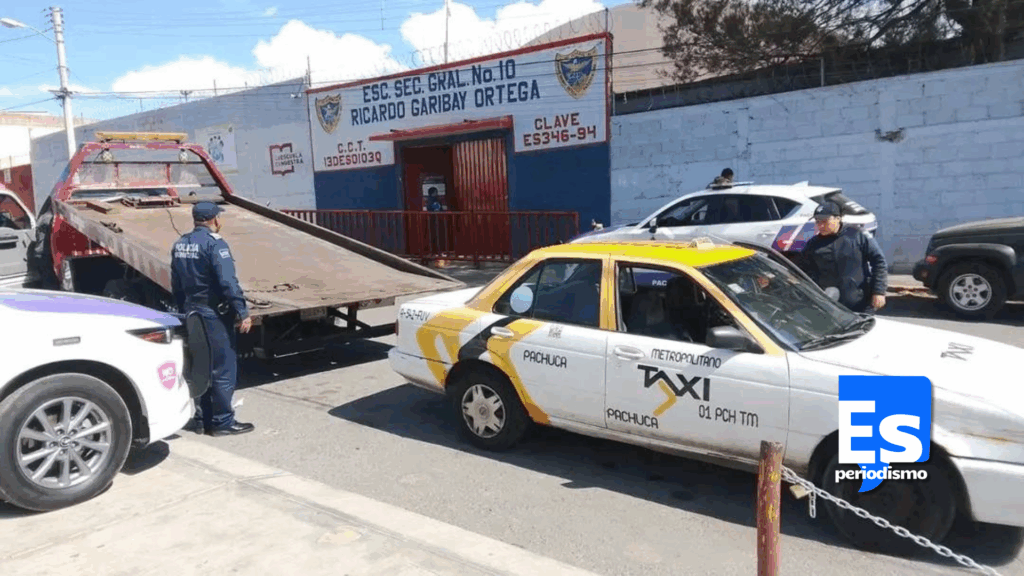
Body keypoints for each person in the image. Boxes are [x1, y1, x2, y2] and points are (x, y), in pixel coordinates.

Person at [172, 201, 255, 437]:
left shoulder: (180, 244)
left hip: (191, 312)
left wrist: (183, 311)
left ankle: (200, 419)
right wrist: (242, 311)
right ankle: (221, 422)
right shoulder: (215, 244)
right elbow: (228, 281)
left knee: (200, 366)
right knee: (223, 367)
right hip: (213, 315)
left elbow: (176, 283)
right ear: (214, 219)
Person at [797, 200, 888, 313]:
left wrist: (879, 291)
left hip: (860, 304)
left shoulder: (857, 235)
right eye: (817, 221)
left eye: (825, 221)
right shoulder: (813, 244)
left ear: (838, 218)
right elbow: (801, 269)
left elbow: (879, 261)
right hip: (830, 306)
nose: (820, 225)